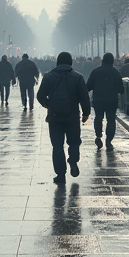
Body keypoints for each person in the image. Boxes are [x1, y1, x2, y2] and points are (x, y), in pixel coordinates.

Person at [37, 52, 91, 184]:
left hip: (54, 118)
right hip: (72, 116)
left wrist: (49, 105)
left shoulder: (48, 77)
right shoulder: (77, 77)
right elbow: (84, 97)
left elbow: (40, 96)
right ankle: (73, 160)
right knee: (74, 141)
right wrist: (85, 113)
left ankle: (60, 174)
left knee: (57, 146)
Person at [85, 52, 124, 151]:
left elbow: (88, 86)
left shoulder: (95, 71)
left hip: (98, 100)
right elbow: (121, 89)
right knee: (111, 120)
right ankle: (109, 140)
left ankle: (98, 135)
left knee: (98, 117)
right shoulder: (116, 72)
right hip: (112, 100)